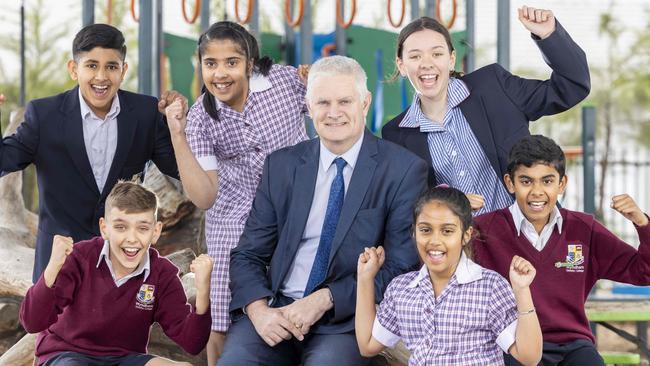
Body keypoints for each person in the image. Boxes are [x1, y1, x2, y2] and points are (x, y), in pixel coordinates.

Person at [217, 55, 428, 365]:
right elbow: (248, 254)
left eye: (345, 101)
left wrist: (324, 299)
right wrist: (259, 311)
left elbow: (400, 270)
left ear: (365, 103)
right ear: (309, 105)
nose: (333, 113)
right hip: (277, 310)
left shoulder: (403, 170)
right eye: (323, 102)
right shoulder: (283, 165)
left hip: (346, 320)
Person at [162, 21, 309, 363]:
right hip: (235, 213)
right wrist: (177, 136)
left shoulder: (284, 82)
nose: (220, 73)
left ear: (249, 63)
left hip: (295, 204)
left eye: (231, 62)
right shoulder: (200, 118)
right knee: (223, 310)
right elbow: (204, 197)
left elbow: (330, 108)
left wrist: (316, 79)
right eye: (211, 64)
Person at [0, 24, 180, 283]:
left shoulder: (145, 113)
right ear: (74, 69)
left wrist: (180, 127)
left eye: (111, 66)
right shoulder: (44, 115)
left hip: (123, 267)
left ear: (123, 70)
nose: (101, 76)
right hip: (59, 267)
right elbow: (5, 160)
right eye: (92, 65)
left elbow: (179, 168)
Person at [382, 6, 590, 215]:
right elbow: (409, 207)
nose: (427, 64)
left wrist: (548, 34)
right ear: (401, 65)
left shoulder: (494, 87)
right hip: (461, 246)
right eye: (415, 56)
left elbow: (572, 86)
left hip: (528, 237)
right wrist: (450, 201)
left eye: (437, 53)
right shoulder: (396, 135)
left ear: (451, 58)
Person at [473, 135, 650, 366]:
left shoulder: (584, 228)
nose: (537, 191)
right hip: (512, 344)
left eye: (547, 181)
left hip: (572, 345)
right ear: (510, 183)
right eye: (526, 181)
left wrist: (642, 224)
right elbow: (443, 267)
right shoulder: (483, 229)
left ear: (562, 184)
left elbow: (643, 272)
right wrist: (455, 216)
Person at [19, 181, 213, 366]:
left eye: (142, 228)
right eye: (120, 227)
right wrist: (52, 267)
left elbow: (192, 343)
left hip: (123, 358)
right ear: (105, 228)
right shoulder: (80, 257)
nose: (131, 238)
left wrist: (203, 291)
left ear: (155, 231)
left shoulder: (162, 274)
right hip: (68, 354)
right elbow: (32, 322)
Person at [356, 186, 542, 365]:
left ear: (466, 235)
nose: (435, 241)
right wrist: (365, 278)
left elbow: (529, 357)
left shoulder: (490, 287)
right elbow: (368, 345)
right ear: (414, 232)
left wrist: (522, 290)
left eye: (447, 231)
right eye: (425, 230)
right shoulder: (401, 289)